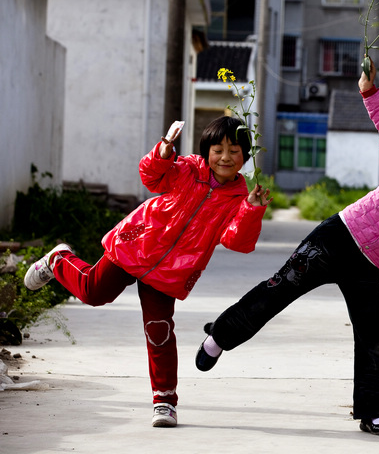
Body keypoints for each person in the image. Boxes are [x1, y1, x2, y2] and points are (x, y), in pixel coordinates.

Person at [194, 60, 379, 437]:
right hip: (335, 239)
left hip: (369, 269)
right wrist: (369, 89)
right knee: (277, 291)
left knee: (374, 336)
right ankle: (220, 335)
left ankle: (375, 412)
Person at [24, 116, 271, 428]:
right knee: (92, 292)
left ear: (245, 157)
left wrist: (252, 209)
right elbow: (151, 177)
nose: (225, 157)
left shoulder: (238, 198)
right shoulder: (188, 169)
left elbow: (237, 241)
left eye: (234, 151)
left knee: (159, 331)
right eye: (217, 149)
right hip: (135, 245)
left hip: (171, 272)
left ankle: (165, 400)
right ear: (206, 151)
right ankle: (59, 259)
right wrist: (165, 149)